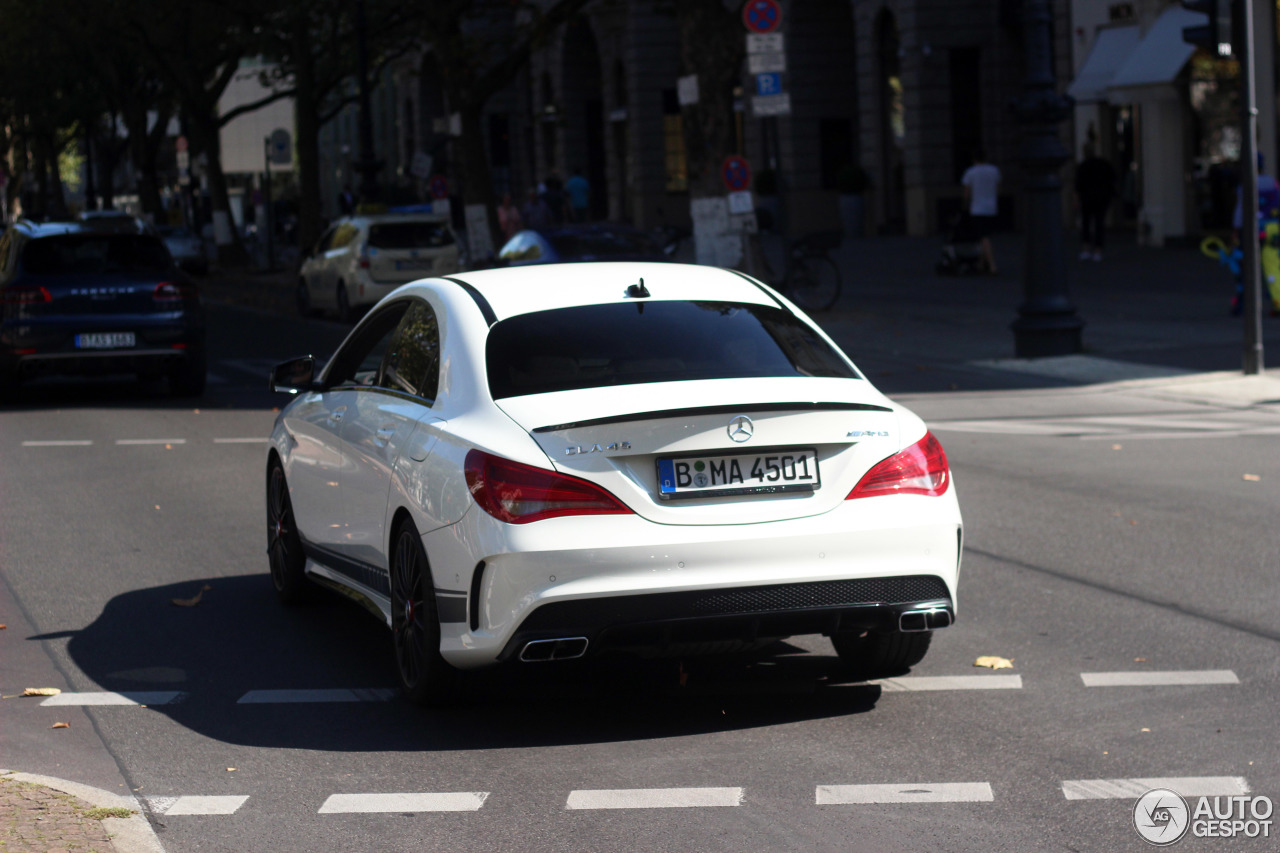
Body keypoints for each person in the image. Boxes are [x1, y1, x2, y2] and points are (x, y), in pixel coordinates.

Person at [961, 149, 1001, 274]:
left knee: (983, 237)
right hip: (991, 207)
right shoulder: (994, 170)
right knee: (984, 236)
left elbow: (967, 192)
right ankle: (981, 263)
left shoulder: (970, 172)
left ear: (974, 159)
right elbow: (997, 187)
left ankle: (992, 265)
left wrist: (964, 206)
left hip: (977, 208)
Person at [1074, 145, 1116, 261]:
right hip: (1101, 198)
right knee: (1099, 223)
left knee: (1086, 224)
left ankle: (1086, 249)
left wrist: (1077, 199)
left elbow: (1078, 185)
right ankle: (1098, 250)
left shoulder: (1083, 166)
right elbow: (1112, 178)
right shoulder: (1103, 164)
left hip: (1087, 199)